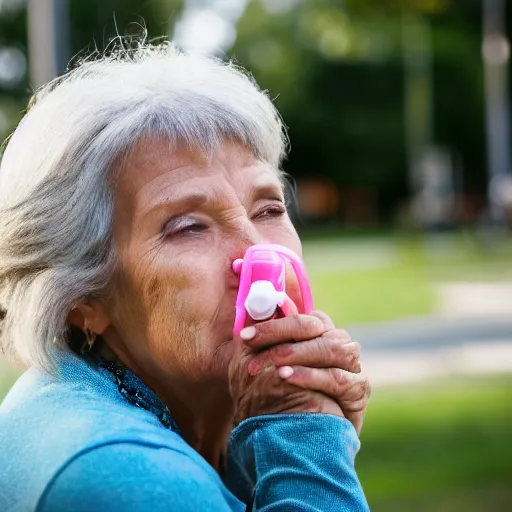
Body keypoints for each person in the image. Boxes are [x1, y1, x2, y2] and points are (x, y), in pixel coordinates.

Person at [0, 41, 371, 511]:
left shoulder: (116, 404)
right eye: (189, 227)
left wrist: (281, 438)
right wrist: (306, 444)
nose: (259, 253)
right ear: (80, 298)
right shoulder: (122, 477)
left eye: (269, 207)